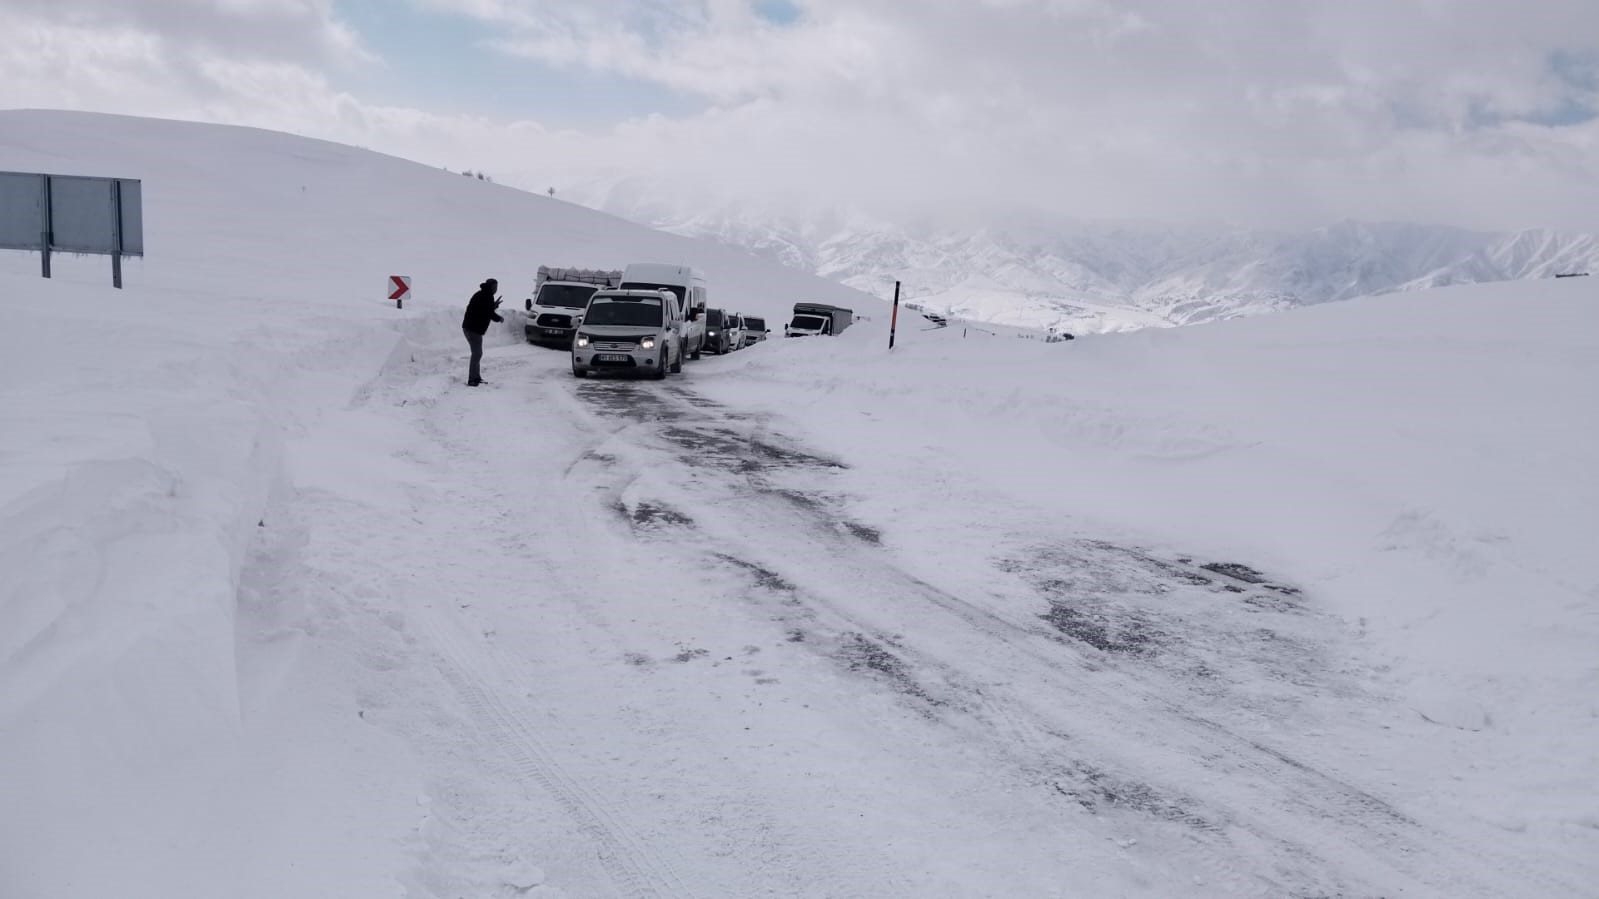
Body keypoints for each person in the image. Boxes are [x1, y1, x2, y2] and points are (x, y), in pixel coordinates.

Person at [461, 277, 503, 386]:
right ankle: (472, 379)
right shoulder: (486, 296)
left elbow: (484, 310)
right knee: (477, 354)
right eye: (495, 287)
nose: (496, 289)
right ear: (490, 287)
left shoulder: (483, 294)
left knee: (477, 353)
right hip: (473, 329)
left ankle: (476, 377)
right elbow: (489, 313)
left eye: (497, 287)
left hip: (472, 328)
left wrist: (493, 306)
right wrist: (499, 318)